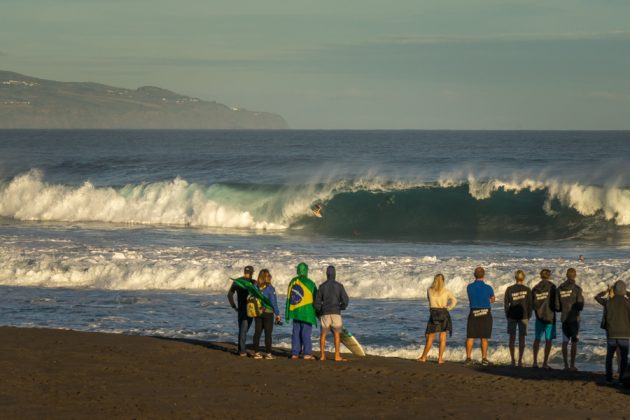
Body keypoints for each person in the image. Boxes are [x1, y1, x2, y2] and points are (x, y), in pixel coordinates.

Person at [595, 280, 630, 385]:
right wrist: (626, 292)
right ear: (623, 290)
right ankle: (621, 380)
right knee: (624, 358)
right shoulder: (628, 303)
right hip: (625, 334)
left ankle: (609, 378)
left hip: (611, 333)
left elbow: (597, 298)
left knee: (609, 356)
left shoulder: (608, 302)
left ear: (614, 290)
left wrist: (606, 292)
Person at [418, 273, 457, 364]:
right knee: (442, 337)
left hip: (434, 314)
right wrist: (448, 308)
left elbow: (429, 300)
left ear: (434, 280)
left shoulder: (429, 290)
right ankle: (440, 359)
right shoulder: (446, 291)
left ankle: (424, 357)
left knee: (430, 337)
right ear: (443, 281)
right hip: (444, 313)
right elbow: (455, 300)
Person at [314, 265, 350, 362]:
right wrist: (341, 307)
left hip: (325, 313)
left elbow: (316, 303)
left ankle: (322, 356)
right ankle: (337, 356)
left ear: (327, 274)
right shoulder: (339, 286)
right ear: (335, 274)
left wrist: (320, 311)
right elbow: (346, 301)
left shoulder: (322, 287)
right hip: (336, 313)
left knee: (323, 335)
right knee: (337, 335)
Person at [286, 262, 318, 360]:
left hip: (295, 311)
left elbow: (288, 298)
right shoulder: (310, 283)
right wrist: (318, 313)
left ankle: (295, 353)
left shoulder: (292, 282)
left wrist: (288, 312)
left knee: (296, 332)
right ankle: (307, 353)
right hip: (307, 313)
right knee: (306, 333)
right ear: (306, 271)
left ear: (298, 270)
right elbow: (316, 298)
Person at [555, 267, 584, 371]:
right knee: (574, 341)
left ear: (566, 275)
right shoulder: (577, 289)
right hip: (574, 319)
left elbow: (557, 307)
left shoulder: (560, 288)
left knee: (565, 341)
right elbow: (580, 306)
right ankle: (572, 365)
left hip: (564, 318)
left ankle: (566, 365)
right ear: (575, 276)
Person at [465, 267, 496, 366]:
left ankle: (468, 358)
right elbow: (492, 300)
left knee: (471, 336)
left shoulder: (469, 287)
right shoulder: (488, 287)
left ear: (474, 275)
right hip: (485, 312)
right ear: (484, 275)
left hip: (473, 312)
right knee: (484, 337)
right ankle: (484, 359)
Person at [504, 270, 532, 367]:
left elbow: (506, 304)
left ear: (515, 278)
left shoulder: (509, 289)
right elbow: (530, 304)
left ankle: (512, 360)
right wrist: (529, 315)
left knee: (511, 338)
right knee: (522, 339)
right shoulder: (527, 289)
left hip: (512, 315)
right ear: (523, 278)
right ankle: (519, 361)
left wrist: (507, 315)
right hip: (523, 316)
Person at [227, 265, 256, 356]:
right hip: (250, 309)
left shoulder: (237, 281)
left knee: (242, 329)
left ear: (244, 272)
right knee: (244, 330)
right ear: (252, 273)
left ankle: (241, 349)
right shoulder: (253, 282)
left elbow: (229, 295)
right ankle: (242, 351)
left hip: (240, 309)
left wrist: (234, 306)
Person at [252, 269, 281, 360]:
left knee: (257, 332)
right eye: (269, 275)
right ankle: (268, 354)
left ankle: (256, 353)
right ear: (266, 277)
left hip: (258, 312)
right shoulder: (270, 288)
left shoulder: (255, 286)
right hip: (268, 313)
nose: (270, 276)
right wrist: (277, 314)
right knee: (268, 334)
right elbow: (273, 303)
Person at [531, 269, 557, 369]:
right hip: (550, 316)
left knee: (537, 339)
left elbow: (533, 304)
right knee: (548, 340)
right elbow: (555, 302)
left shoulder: (535, 288)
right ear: (549, 276)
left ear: (540, 276)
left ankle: (535, 362)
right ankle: (545, 363)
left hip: (539, 317)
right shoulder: (552, 287)